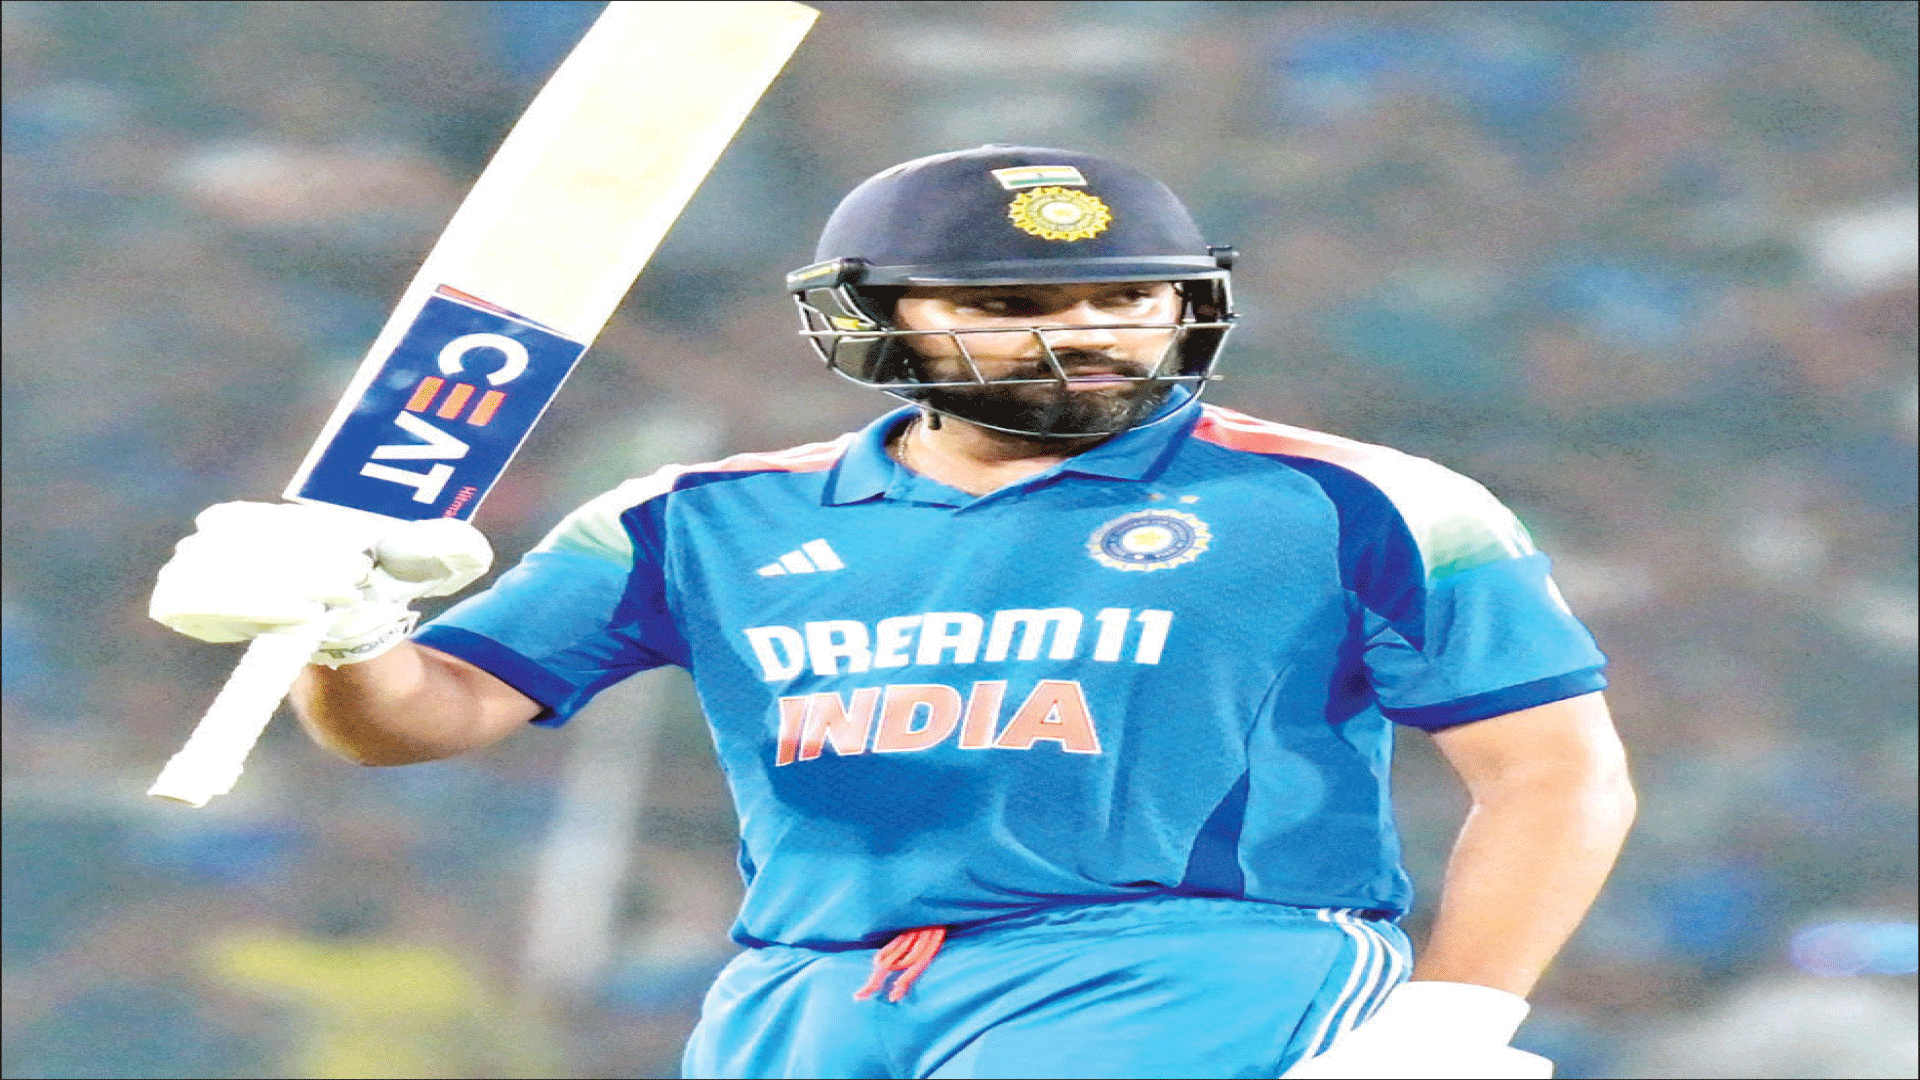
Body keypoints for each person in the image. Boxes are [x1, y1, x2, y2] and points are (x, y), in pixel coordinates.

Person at [151, 145, 1637, 1079]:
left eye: (1126, 298)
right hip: (803, 991)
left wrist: (1456, 1020)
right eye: (1006, 307)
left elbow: (1553, 774)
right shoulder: (697, 516)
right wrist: (348, 635)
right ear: (876, 319)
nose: (1083, 334)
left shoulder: (1358, 500)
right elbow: (422, 722)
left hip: (1183, 965)